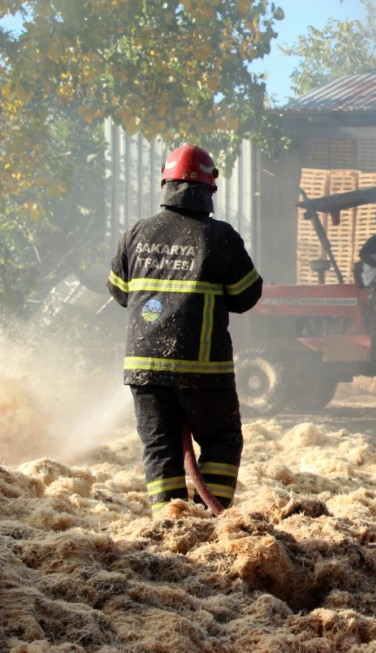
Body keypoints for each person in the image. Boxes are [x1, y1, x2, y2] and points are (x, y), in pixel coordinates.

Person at [107, 144, 263, 516]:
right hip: (203, 367)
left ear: (165, 183)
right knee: (222, 439)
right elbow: (246, 295)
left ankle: (170, 523)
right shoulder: (220, 236)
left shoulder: (136, 233)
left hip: (144, 365)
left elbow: (119, 291)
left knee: (160, 447)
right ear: (210, 189)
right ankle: (212, 519)